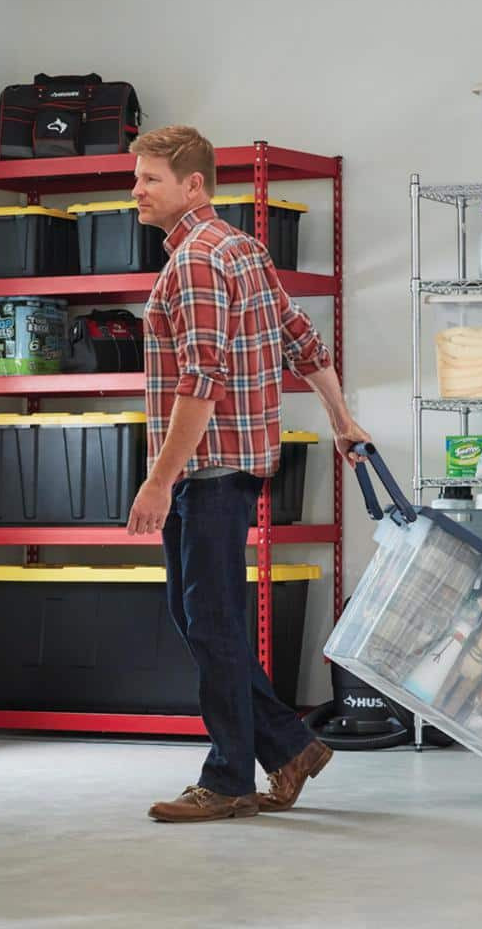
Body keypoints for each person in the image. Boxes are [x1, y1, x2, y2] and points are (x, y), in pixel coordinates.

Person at [125, 126, 369, 823]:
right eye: (137, 178)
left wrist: (159, 479)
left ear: (194, 184)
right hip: (234, 463)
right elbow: (301, 336)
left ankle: (229, 777)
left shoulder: (198, 261)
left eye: (151, 179)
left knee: (213, 623)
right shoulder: (242, 248)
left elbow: (201, 378)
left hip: (207, 467)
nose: (137, 191)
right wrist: (340, 418)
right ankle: (290, 746)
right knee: (204, 619)